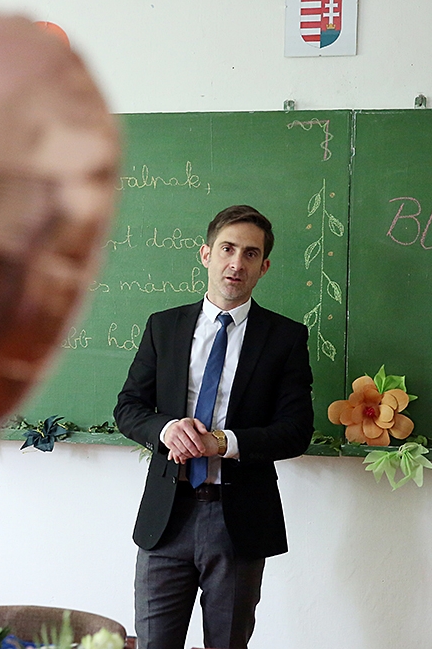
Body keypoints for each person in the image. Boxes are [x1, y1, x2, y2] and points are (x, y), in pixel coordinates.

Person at [114, 205, 314, 649]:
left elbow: (296, 430)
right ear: (206, 254)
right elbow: (128, 407)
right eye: (227, 248)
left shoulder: (285, 338)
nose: (236, 263)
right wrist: (166, 430)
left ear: (263, 267)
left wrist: (222, 443)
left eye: (250, 253)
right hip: (167, 516)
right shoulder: (164, 327)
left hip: (237, 521)